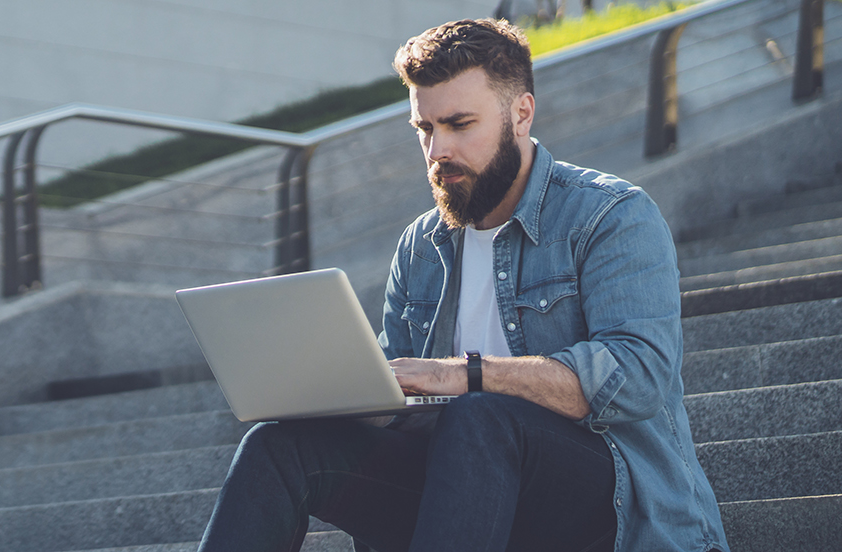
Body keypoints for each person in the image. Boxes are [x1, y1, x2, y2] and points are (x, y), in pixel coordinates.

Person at [195, 19, 728, 552]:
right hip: (466, 499)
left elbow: (637, 376)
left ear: (521, 113)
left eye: (458, 124)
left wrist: (465, 375)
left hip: (610, 507)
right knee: (280, 447)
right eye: (424, 128)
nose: (436, 151)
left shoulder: (610, 216)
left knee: (479, 414)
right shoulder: (421, 246)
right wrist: (336, 392)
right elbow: (400, 404)